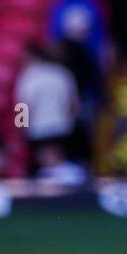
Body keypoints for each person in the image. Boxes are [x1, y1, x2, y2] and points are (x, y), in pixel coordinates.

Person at [14, 41, 78, 175]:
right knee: (61, 166)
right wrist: (69, 125)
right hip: (62, 128)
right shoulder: (63, 73)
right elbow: (73, 105)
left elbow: (23, 106)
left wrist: (21, 128)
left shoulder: (29, 76)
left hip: (39, 129)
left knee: (45, 169)